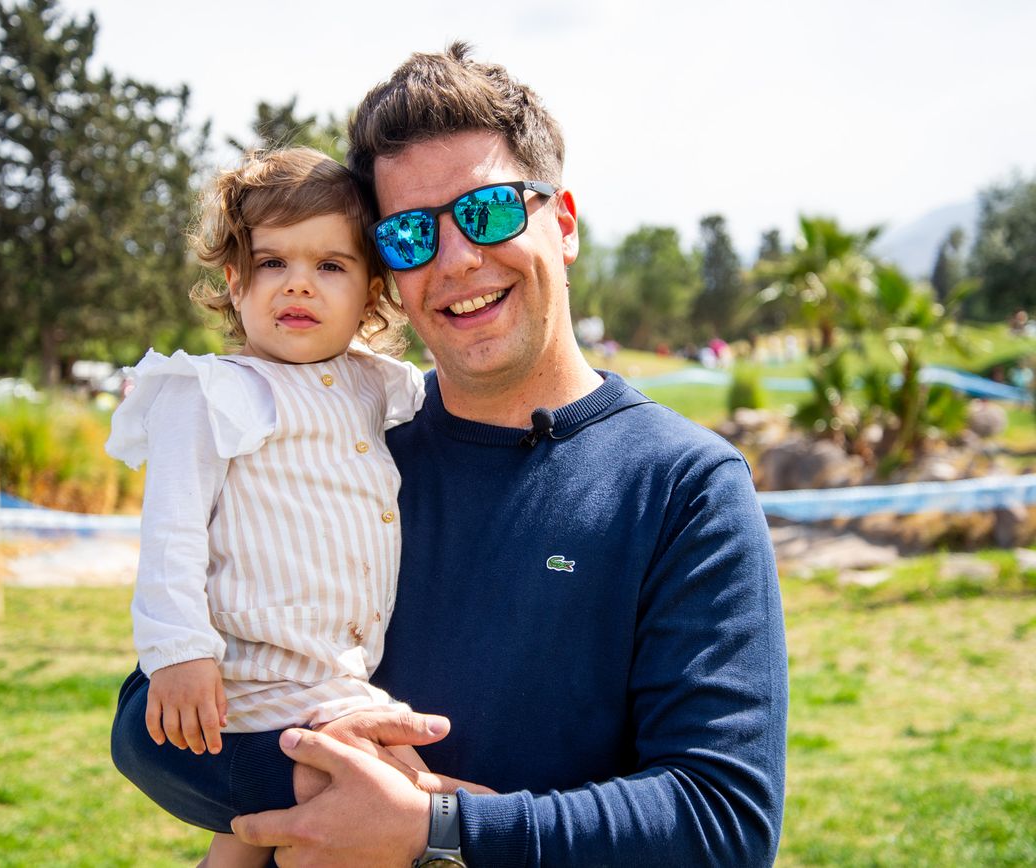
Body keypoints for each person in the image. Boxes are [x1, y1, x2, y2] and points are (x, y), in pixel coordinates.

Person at [114, 44, 788, 867]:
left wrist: (436, 833)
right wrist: (314, 787)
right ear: (386, 276)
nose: (457, 258)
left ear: (564, 223)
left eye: (491, 210)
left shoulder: (684, 487)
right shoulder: (347, 447)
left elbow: (724, 824)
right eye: (408, 233)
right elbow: (144, 728)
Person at [106, 147, 455, 866]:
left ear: (371, 291)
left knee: (255, 840)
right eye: (273, 264)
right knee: (379, 800)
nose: (300, 285)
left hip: (340, 677)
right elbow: (171, 534)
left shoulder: (378, 386)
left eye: (331, 266)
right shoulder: (210, 391)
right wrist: (178, 654)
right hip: (246, 679)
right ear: (234, 282)